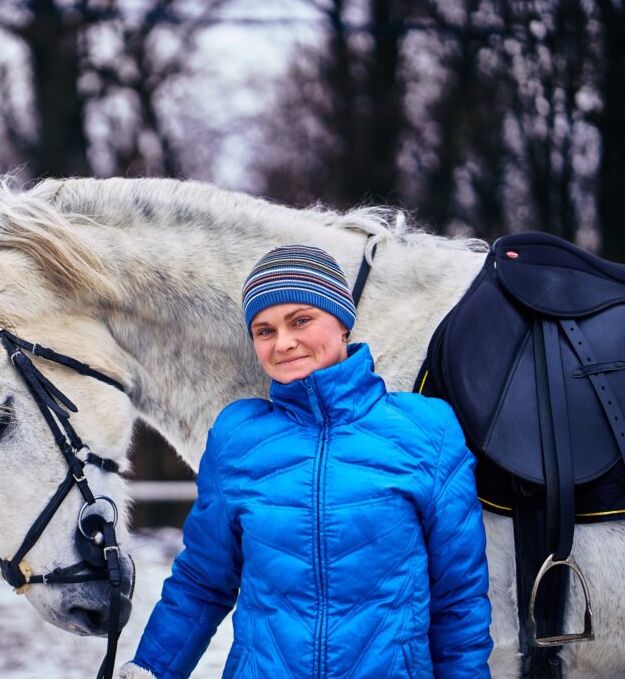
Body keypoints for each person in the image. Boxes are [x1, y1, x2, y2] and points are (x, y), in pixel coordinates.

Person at [118, 245, 493, 678]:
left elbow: (458, 602)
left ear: (342, 321)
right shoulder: (238, 438)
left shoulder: (427, 431)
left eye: (300, 320)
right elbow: (201, 584)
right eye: (264, 330)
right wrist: (148, 670)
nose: (284, 343)